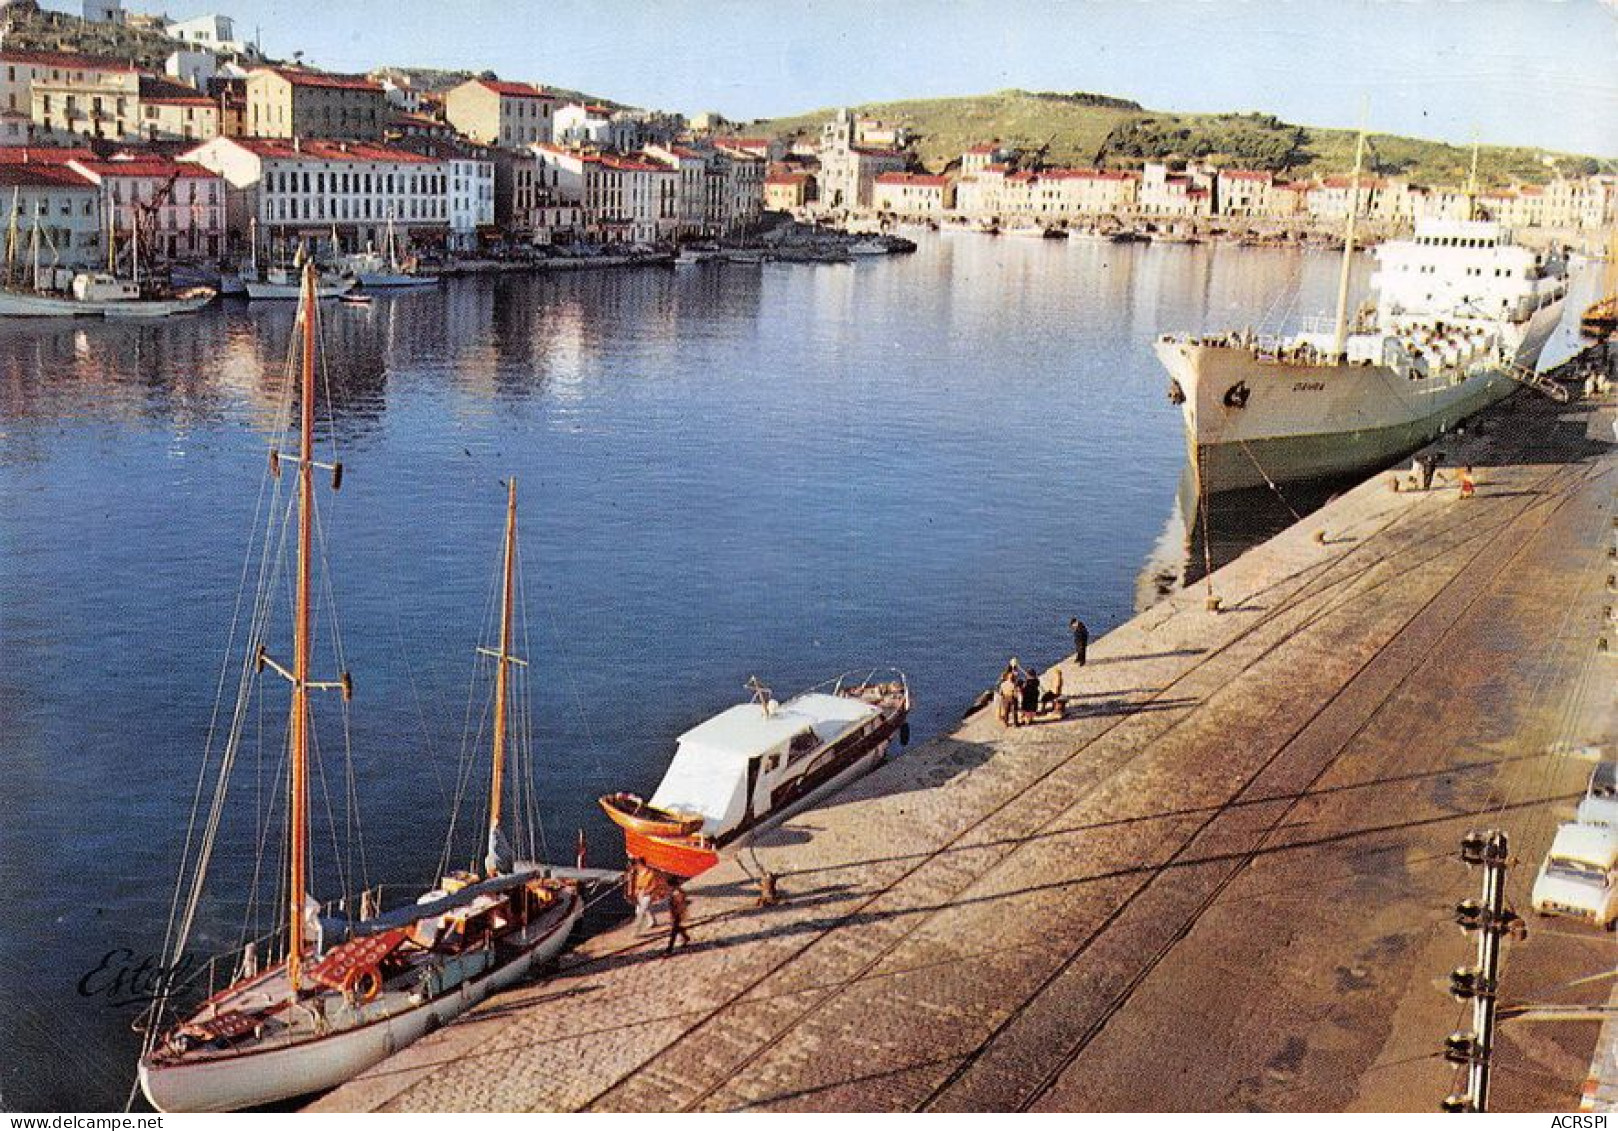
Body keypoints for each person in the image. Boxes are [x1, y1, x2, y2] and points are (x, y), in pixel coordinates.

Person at [665, 885, 692, 954]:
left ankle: (669, 948)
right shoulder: (672, 892)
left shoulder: (677, 893)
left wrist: (679, 914)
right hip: (675, 914)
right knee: (676, 928)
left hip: (677, 914)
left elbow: (681, 905)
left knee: (673, 931)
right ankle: (685, 937)